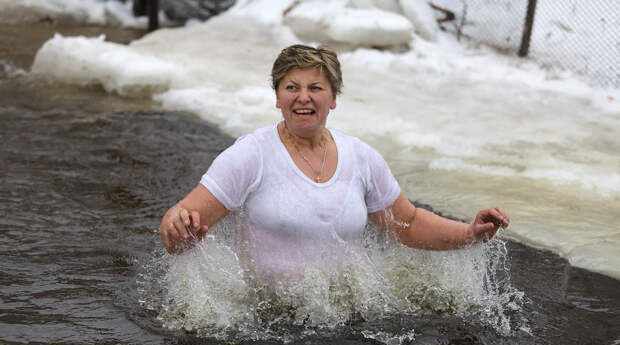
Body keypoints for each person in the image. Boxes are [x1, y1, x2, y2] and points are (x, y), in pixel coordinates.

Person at [159, 44, 509, 277]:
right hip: (262, 328)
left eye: (316, 87)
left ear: (334, 99)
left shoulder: (361, 157)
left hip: (342, 324)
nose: (303, 97)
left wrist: (469, 233)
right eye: (291, 87)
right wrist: (178, 231)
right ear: (278, 98)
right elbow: (181, 221)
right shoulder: (251, 155)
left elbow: (408, 224)